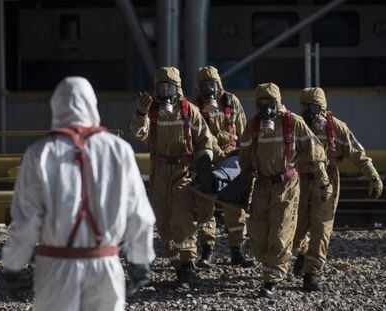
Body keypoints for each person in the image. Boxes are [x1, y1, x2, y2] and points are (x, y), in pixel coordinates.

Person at [2, 77, 155, 311]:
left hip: (56, 267)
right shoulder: (118, 150)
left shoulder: (40, 153)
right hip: (105, 265)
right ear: (92, 104)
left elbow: (26, 219)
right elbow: (138, 212)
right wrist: (140, 260)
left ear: (56, 105)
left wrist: (14, 264)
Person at [238, 83, 332, 299]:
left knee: (281, 233)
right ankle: (279, 259)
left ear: (277, 102)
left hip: (287, 185)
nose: (265, 107)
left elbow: (315, 151)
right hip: (262, 185)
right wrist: (244, 181)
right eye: (260, 103)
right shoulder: (253, 125)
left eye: (268, 102)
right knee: (258, 236)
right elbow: (244, 154)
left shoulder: (292, 122)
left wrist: (323, 181)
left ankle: (271, 281)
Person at [128, 67, 213, 287]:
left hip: (182, 171)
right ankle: (177, 262)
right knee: (164, 222)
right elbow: (138, 134)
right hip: (159, 173)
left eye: (170, 87)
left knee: (182, 217)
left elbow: (204, 139)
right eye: (161, 87)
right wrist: (140, 114)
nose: (165, 92)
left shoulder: (189, 111)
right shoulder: (151, 111)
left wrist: (204, 162)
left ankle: (188, 265)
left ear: (178, 89)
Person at [292, 87, 383, 291]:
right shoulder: (296, 126)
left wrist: (373, 177)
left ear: (322, 108)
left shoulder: (336, 128)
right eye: (305, 107)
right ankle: (304, 251)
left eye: (313, 107)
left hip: (327, 183)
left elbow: (358, 153)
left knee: (322, 228)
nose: (308, 112)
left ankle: (311, 273)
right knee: (296, 228)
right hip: (300, 181)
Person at [194, 66, 253, 268]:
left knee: (235, 207)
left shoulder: (231, 102)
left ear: (219, 84)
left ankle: (237, 251)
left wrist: (245, 159)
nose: (208, 89)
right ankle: (207, 250)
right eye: (204, 85)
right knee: (204, 207)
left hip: (230, 160)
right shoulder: (195, 106)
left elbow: (243, 133)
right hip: (206, 160)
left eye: (212, 84)